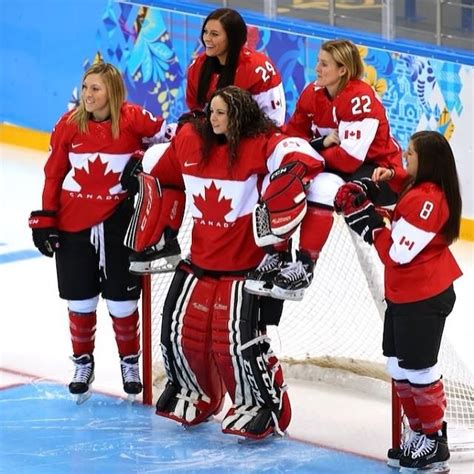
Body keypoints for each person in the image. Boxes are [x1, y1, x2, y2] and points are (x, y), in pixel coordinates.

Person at [121, 86, 324, 440]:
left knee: (233, 344)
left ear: (240, 116)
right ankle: (193, 391)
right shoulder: (189, 143)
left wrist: (287, 179)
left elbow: (301, 156)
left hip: (243, 269)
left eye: (221, 113)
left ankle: (262, 404)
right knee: (180, 335)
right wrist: (146, 188)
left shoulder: (260, 144)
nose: (213, 119)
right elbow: (160, 165)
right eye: (211, 112)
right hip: (199, 263)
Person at [28, 62, 170, 403]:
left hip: (118, 223)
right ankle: (82, 363)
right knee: (79, 298)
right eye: (85, 87)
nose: (88, 95)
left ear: (113, 92)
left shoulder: (134, 119)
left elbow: (173, 142)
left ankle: (129, 363)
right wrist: (46, 218)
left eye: (96, 89)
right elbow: (53, 174)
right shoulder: (68, 125)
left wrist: (143, 158)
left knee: (122, 301)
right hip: (72, 223)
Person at [334, 130, 462, 471]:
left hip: (424, 294)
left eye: (411, 153)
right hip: (403, 293)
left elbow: (396, 253)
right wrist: (384, 179)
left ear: (429, 162)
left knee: (420, 369)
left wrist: (371, 223)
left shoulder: (429, 199)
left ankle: (434, 441)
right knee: (398, 365)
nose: (404, 157)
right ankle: (419, 432)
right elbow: (402, 180)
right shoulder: (418, 187)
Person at [246, 39, 408, 301]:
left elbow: (348, 161)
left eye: (324, 64)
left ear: (343, 69)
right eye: (318, 62)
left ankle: (306, 266)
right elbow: (291, 137)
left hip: (381, 175)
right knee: (283, 177)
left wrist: (310, 153)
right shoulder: (313, 93)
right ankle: (278, 254)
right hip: (343, 167)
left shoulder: (360, 98)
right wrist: (319, 145)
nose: (317, 68)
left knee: (321, 187)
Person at [185, 7, 285, 126]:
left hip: (250, 139)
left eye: (214, 34)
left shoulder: (259, 69)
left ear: (232, 38)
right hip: (210, 137)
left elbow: (273, 123)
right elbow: (196, 111)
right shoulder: (198, 66)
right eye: (205, 32)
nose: (207, 39)